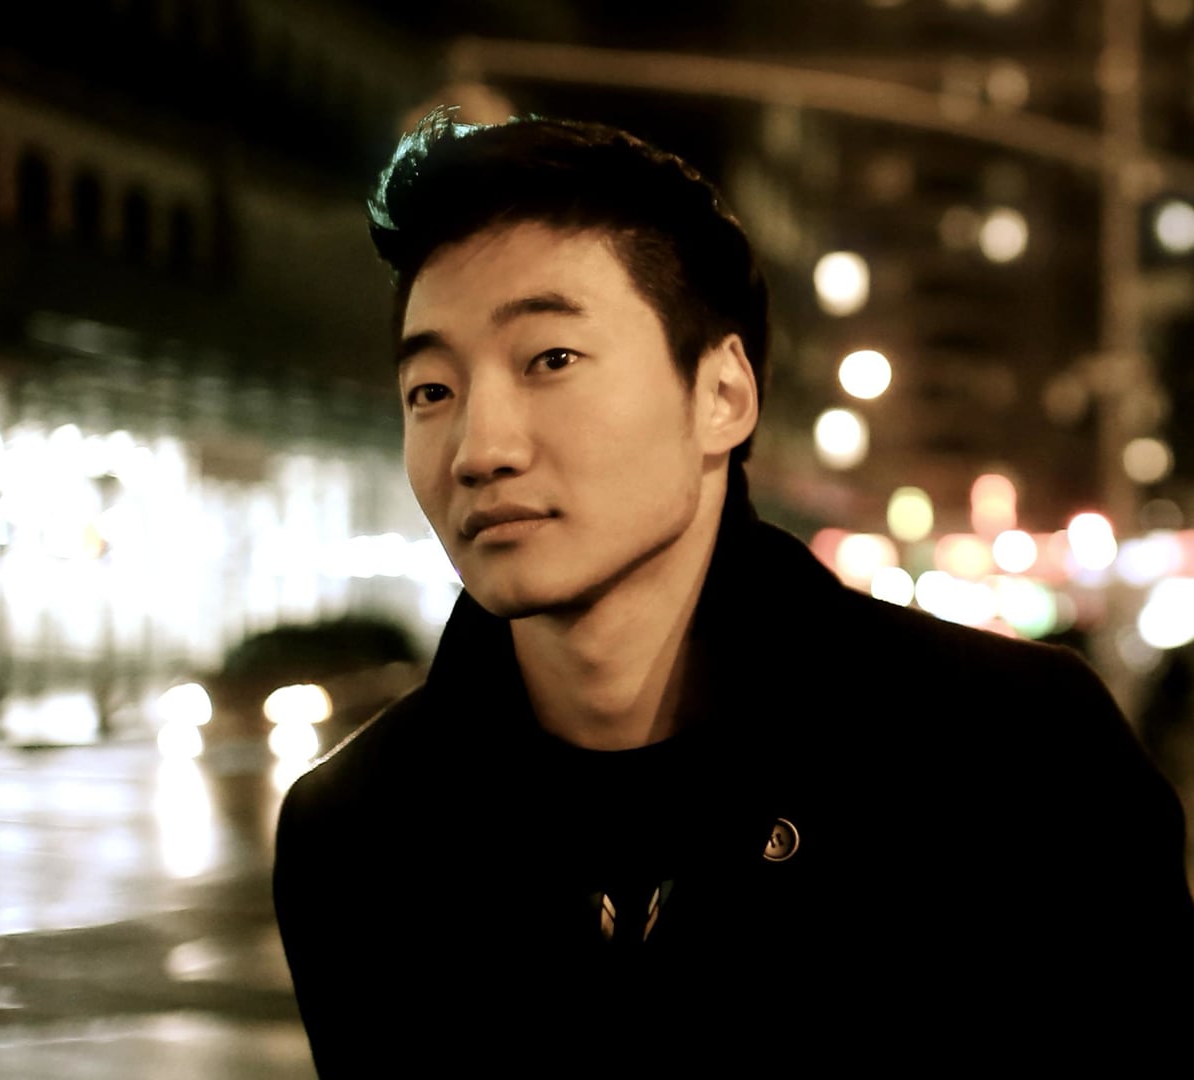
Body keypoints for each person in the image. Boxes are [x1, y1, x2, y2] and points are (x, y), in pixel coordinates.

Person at [273, 110, 1194, 1069]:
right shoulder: (358, 834)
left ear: (723, 396)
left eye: (550, 360)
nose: (480, 449)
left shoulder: (1015, 759)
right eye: (432, 391)